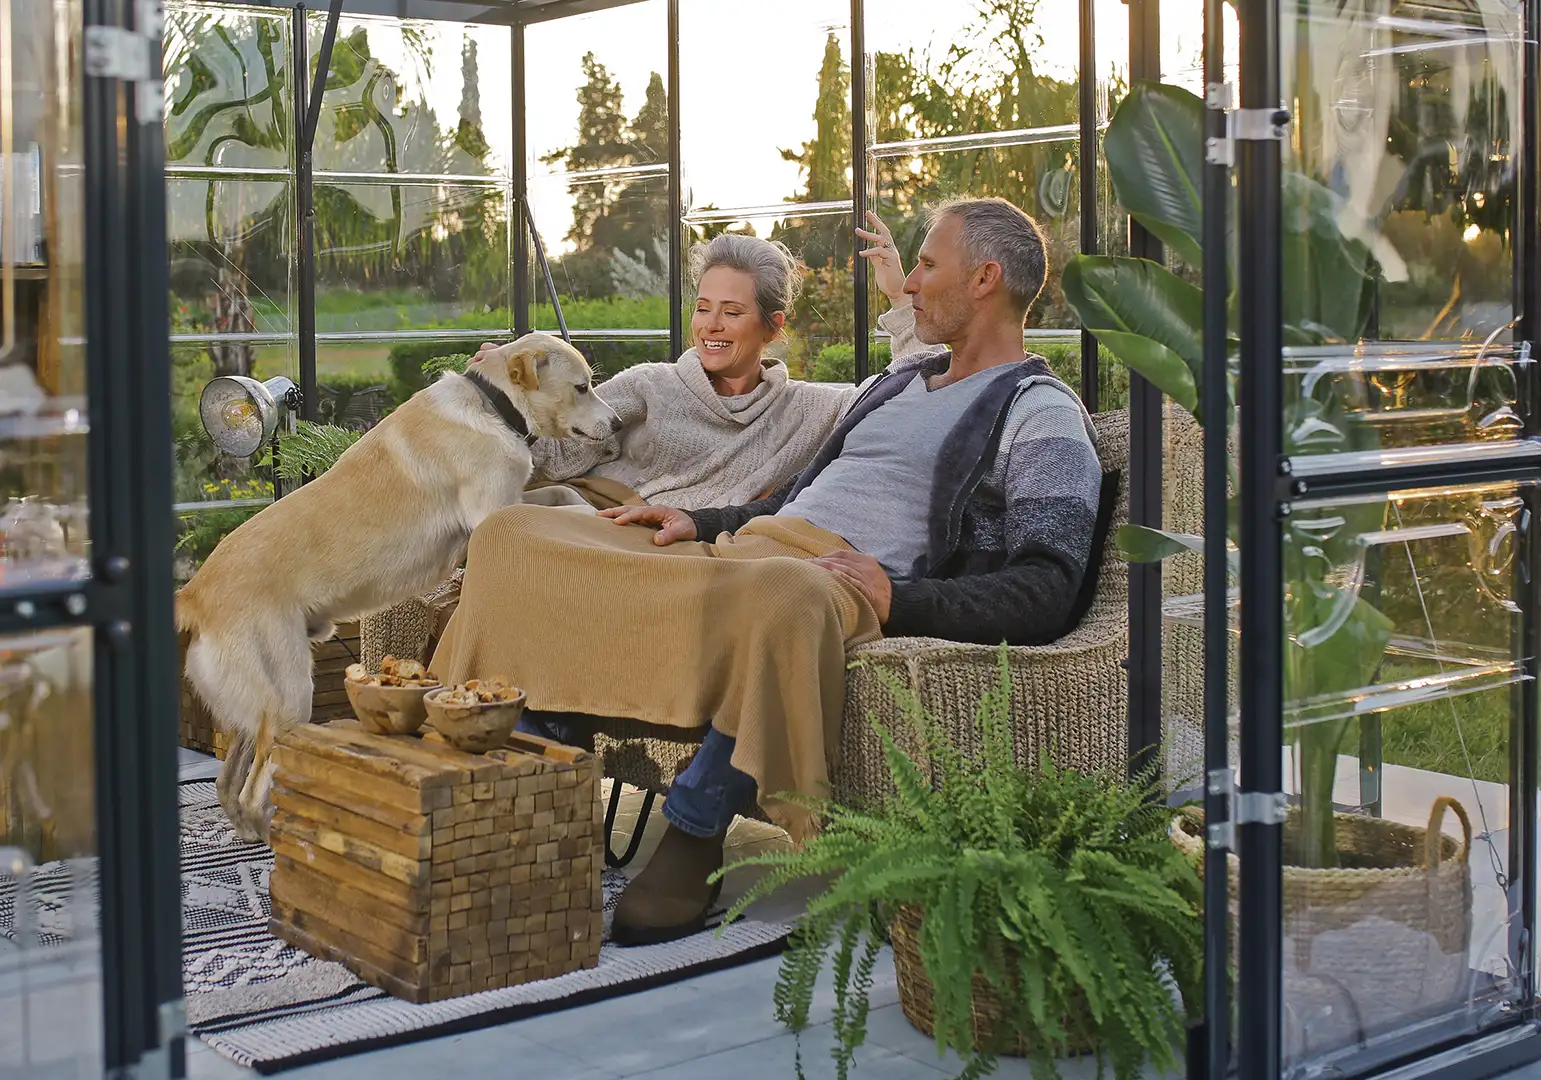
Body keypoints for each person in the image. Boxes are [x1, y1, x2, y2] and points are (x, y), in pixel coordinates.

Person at [429, 198, 1103, 945]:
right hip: (739, 554)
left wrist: (900, 596)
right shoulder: (898, 386)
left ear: (984, 278)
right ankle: (522, 770)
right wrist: (701, 521)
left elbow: (1050, 583)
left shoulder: (1040, 411)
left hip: (826, 580)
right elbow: (794, 495)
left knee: (791, 590)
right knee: (515, 534)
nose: (909, 284)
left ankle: (694, 830)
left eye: (926, 265)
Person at [497, 229, 911, 513]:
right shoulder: (650, 384)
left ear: (773, 325)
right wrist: (503, 396)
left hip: (686, 548)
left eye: (731, 312)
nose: (710, 325)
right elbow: (555, 456)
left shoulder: (803, 408)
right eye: (702, 308)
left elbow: (908, 395)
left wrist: (900, 298)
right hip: (597, 521)